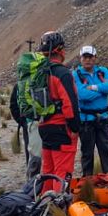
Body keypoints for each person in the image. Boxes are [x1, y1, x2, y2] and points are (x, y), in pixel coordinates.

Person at [35, 31, 80, 194]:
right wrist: (75, 128)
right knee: (62, 173)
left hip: (44, 127)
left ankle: (42, 206)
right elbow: (69, 103)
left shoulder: (39, 73)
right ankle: (57, 211)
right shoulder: (62, 73)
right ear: (60, 50)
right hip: (62, 128)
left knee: (47, 172)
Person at [73, 45, 108, 176]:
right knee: (87, 153)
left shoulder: (103, 71)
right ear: (80, 58)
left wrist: (92, 87)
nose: (87, 60)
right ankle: (88, 180)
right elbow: (82, 95)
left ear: (95, 58)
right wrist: (102, 91)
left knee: (107, 150)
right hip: (86, 121)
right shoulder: (75, 75)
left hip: (103, 119)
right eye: (85, 57)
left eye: (90, 57)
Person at [9, 83, 42, 180]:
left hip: (30, 124)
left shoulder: (20, 84)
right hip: (32, 123)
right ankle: (35, 180)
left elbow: (13, 105)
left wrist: (22, 121)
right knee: (34, 153)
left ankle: (33, 180)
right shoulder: (20, 85)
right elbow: (13, 105)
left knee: (32, 152)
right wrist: (22, 121)